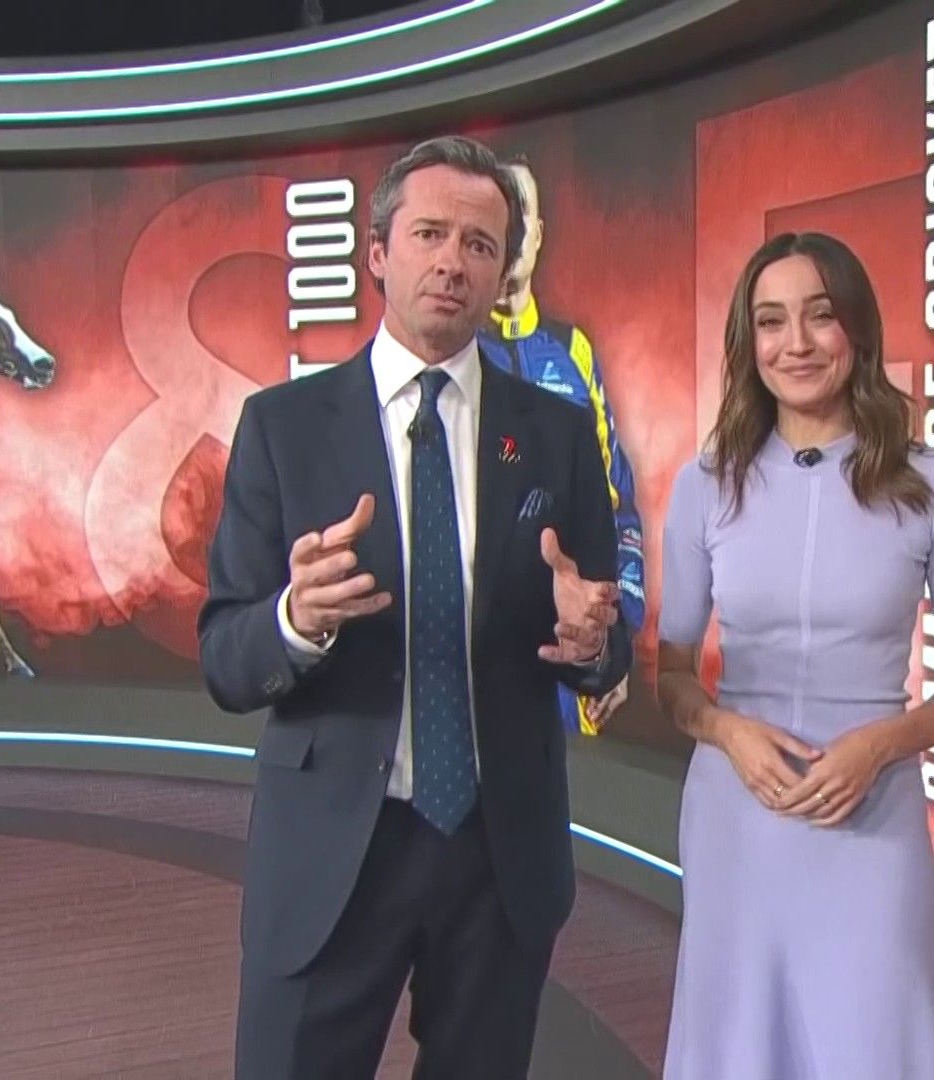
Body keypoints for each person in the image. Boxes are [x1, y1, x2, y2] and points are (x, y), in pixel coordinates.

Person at [198, 134, 632, 1080]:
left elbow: (608, 638)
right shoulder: (283, 428)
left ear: (503, 272)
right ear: (378, 254)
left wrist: (592, 642)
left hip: (499, 857)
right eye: (430, 234)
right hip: (330, 856)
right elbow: (226, 657)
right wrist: (296, 619)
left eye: (480, 244)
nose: (453, 262)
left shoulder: (557, 434)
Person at [656, 231, 934, 1079]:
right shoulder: (705, 485)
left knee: (874, 1042)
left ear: (858, 329)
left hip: (871, 816)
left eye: (820, 316)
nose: (796, 343)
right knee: (738, 1049)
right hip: (738, 817)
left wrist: (879, 746)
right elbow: (672, 677)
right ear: (749, 341)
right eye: (772, 322)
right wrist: (729, 733)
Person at [478, 157, 644, 735]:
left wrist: (616, 638)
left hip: (574, 676)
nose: (514, 228)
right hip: (480, 674)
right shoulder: (452, 356)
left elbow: (619, 506)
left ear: (539, 233)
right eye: (500, 212)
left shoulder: (572, 351)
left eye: (523, 212)